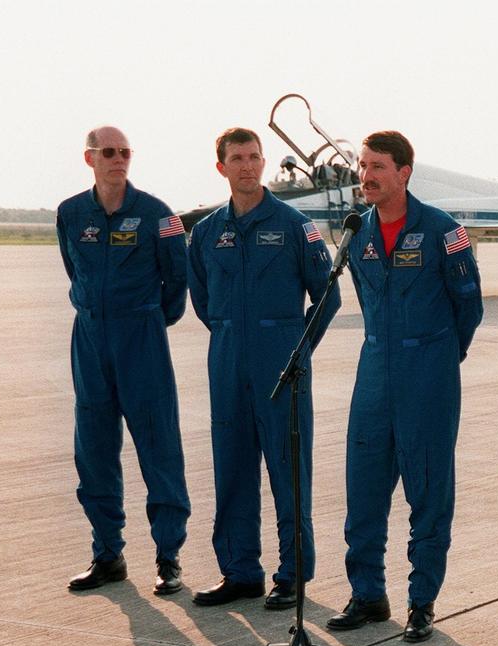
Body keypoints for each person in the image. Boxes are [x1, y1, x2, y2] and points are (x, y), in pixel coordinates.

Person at [326, 131, 483, 642]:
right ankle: (368, 594)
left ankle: (422, 601)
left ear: (404, 173)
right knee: (364, 488)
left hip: (429, 376)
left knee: (429, 490)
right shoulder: (357, 233)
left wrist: (437, 355)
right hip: (374, 373)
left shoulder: (443, 231)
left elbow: (469, 306)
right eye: (362, 166)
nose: (366, 176)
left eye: (377, 167)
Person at [187, 128, 340, 609]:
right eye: (238, 159)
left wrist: (298, 351)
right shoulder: (207, 233)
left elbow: (327, 297)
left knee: (288, 470)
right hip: (228, 365)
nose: (248, 166)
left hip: (283, 369)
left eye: (255, 157)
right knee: (231, 470)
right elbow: (203, 301)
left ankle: (293, 574)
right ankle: (240, 572)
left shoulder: (295, 226)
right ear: (222, 168)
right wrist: (233, 336)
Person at [57, 125, 191, 596]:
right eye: (109, 152)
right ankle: (107, 554)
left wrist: (151, 321)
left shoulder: (157, 214)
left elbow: (178, 282)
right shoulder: (71, 213)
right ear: (89, 157)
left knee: (159, 447)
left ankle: (169, 556)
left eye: (126, 152)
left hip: (142, 340)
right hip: (91, 339)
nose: (119, 160)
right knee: (93, 450)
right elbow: (74, 270)